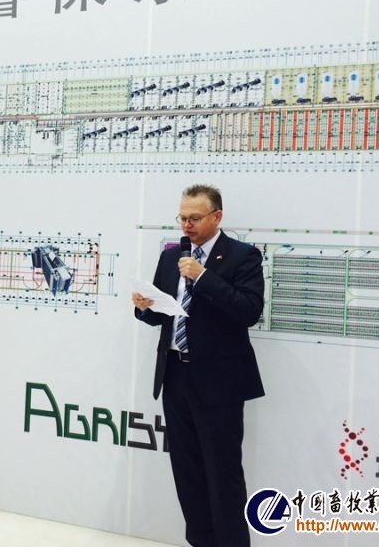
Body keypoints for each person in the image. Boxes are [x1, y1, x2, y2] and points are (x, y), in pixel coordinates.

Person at [132, 184, 264, 547]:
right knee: (186, 470)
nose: (186, 225)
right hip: (175, 375)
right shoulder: (170, 257)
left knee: (223, 472)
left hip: (219, 382)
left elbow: (249, 311)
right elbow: (163, 315)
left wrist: (203, 277)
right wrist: (144, 307)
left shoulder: (243, 256)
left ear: (216, 217)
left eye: (194, 218)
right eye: (182, 218)